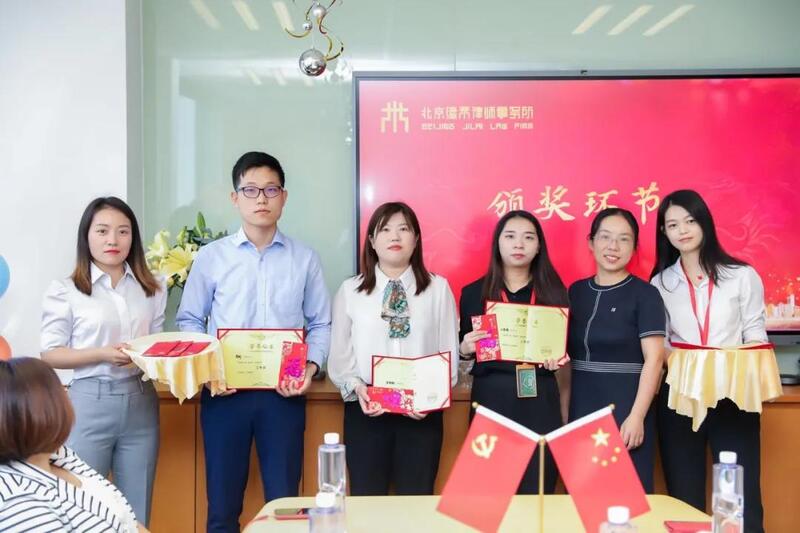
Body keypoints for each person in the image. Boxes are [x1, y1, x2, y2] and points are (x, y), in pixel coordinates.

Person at [176, 151, 331, 533]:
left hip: (284, 395)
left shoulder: (304, 259)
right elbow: (189, 319)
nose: (261, 198)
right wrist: (208, 370)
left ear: (284, 196)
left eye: (270, 189)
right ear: (235, 198)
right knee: (222, 508)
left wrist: (310, 367)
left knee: (285, 507)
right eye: (250, 190)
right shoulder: (212, 257)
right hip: (224, 394)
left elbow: (320, 323)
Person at [41, 196, 166, 526]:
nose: (113, 240)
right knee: (83, 507)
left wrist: (145, 360)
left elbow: (156, 346)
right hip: (88, 403)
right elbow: (50, 353)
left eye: (123, 231)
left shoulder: (153, 288)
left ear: (133, 238)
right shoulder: (67, 290)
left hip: (141, 403)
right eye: (102, 231)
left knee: (136, 510)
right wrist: (102, 353)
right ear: (87, 236)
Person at [650, 190, 766, 532]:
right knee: (684, 493)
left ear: (704, 222)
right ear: (664, 232)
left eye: (689, 220)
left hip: (733, 395)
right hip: (680, 396)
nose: (682, 230)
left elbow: (754, 332)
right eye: (673, 225)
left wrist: (731, 367)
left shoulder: (741, 275)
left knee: (738, 496)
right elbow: (661, 342)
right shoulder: (661, 283)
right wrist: (689, 364)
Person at [327, 201, 459, 495]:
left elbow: (448, 354)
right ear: (372, 241)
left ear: (416, 239)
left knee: (416, 503)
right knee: (367, 501)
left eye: (403, 229)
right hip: (367, 411)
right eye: (385, 230)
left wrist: (430, 397)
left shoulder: (438, 289)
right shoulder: (351, 291)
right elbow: (340, 356)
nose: (395, 236)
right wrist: (357, 388)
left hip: (422, 415)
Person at [458, 210, 568, 493]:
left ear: (539, 246)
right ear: (498, 243)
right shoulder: (473, 293)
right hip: (491, 400)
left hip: (540, 398)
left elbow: (566, 352)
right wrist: (465, 349)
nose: (519, 244)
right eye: (510, 236)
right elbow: (463, 350)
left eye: (528, 237)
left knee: (537, 487)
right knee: (489, 492)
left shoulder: (555, 293)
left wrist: (559, 359)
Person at [567, 208, 665, 492]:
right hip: (582, 408)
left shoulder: (646, 294)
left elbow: (655, 359)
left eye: (624, 239)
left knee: (627, 496)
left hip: (626, 409)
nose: (613, 246)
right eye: (605, 237)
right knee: (582, 495)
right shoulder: (575, 292)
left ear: (634, 248)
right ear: (591, 242)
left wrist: (637, 417)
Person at [0, 357, 147, 532]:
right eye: (61, 392)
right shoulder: (19, 504)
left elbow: (127, 520)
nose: (68, 396)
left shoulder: (60, 455)